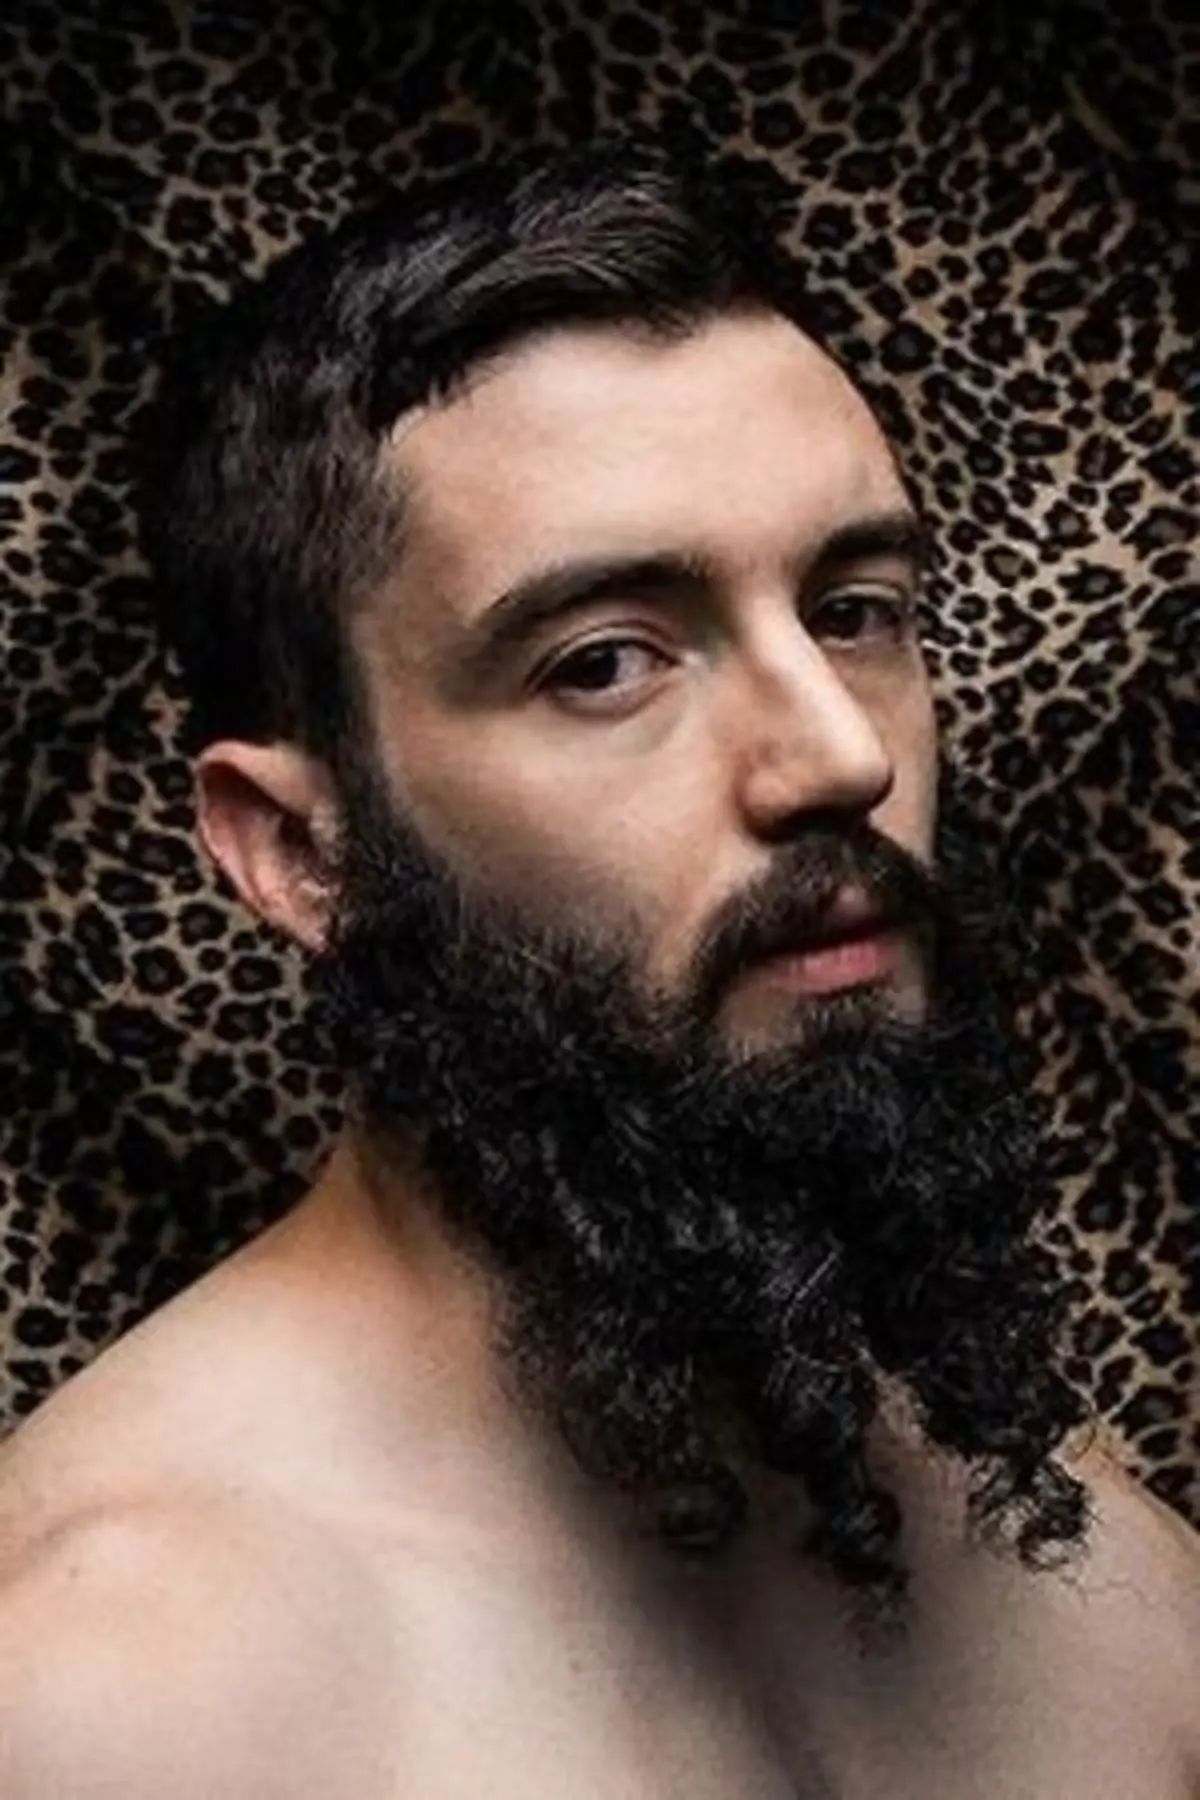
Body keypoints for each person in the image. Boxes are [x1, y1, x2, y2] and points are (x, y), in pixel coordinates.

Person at [0, 138, 1196, 1799]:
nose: (839, 755)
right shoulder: (113, 1691)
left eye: (855, 609)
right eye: (607, 662)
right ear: (300, 851)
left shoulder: (1094, 1574)